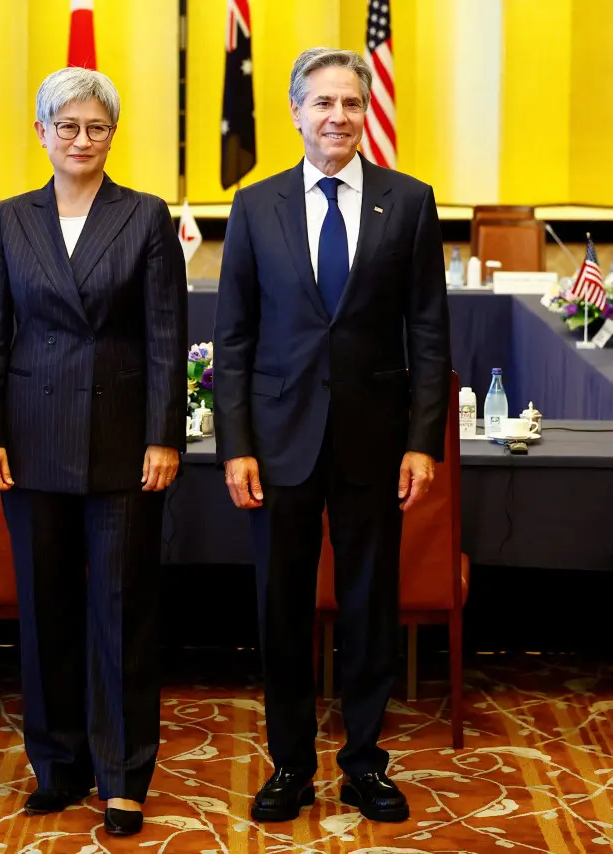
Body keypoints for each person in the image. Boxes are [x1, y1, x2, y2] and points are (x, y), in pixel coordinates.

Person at [213, 48, 451, 824]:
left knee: (367, 609)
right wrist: (236, 444)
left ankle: (364, 764)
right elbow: (235, 337)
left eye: (351, 103)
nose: (338, 117)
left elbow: (428, 332)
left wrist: (422, 442)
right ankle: (289, 765)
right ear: (295, 111)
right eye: (323, 103)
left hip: (374, 444)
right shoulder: (256, 205)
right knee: (280, 610)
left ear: (366, 112)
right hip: (277, 444)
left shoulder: (409, 202)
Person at [0, 67, 186, 837]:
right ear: (42, 133)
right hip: (29, 441)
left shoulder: (145, 217)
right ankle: (57, 766)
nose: (81, 140)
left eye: (96, 127)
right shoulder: (11, 219)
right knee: (45, 611)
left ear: (111, 136)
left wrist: (165, 433)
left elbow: (166, 335)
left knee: (121, 613)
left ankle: (124, 775)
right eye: (67, 126)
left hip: (125, 443)